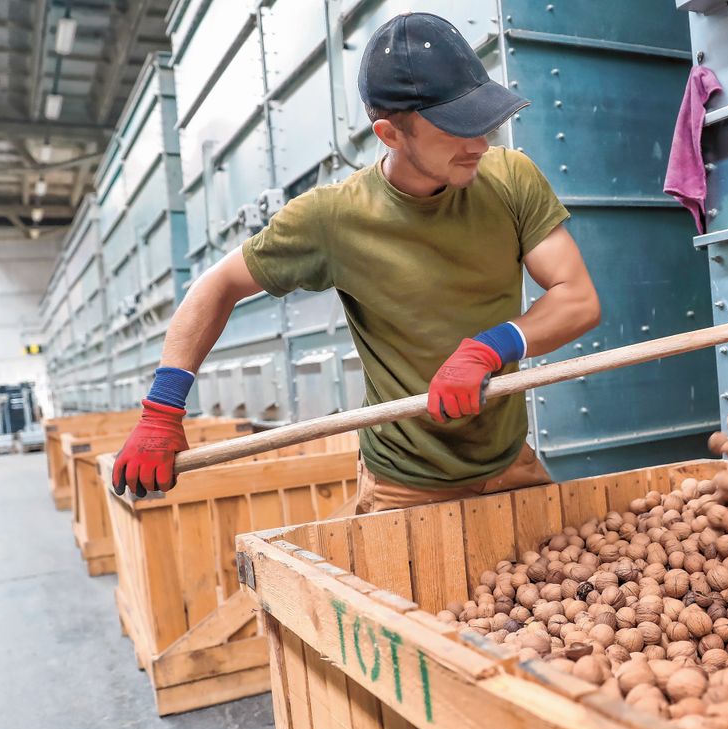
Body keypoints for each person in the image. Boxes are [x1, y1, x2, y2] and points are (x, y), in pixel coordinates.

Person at [111, 12, 600, 514]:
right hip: (404, 484)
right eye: (456, 129)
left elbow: (577, 297)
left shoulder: (510, 178)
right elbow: (217, 285)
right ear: (390, 134)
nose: (479, 144)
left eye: (483, 120)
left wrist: (491, 348)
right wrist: (162, 408)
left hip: (508, 464)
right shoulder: (332, 217)